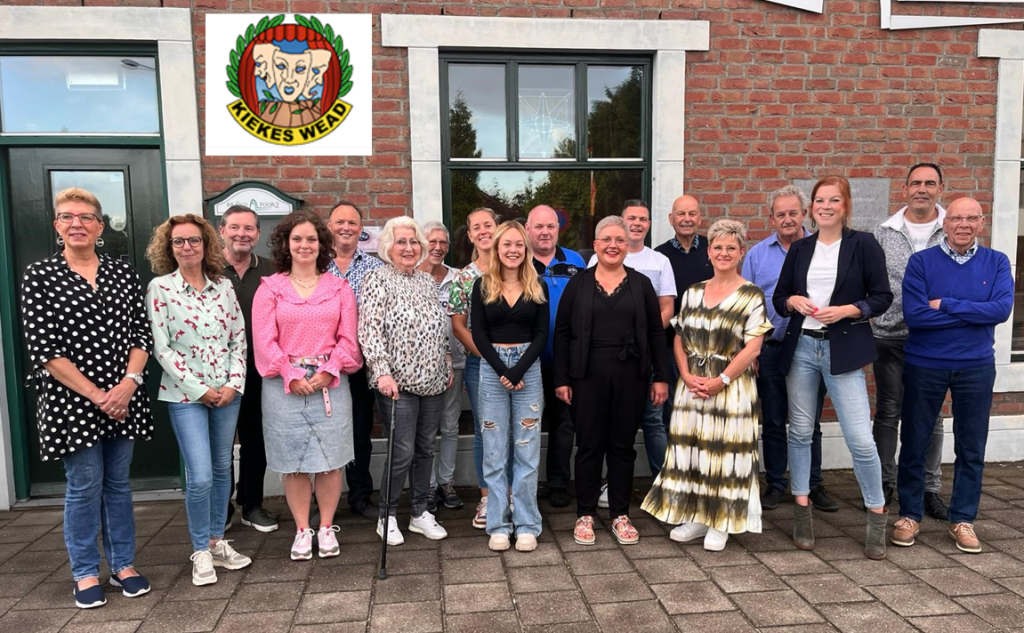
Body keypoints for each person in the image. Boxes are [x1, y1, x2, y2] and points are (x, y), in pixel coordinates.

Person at [21, 187, 153, 608]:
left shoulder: (122, 272)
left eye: (85, 217)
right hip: (73, 401)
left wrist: (129, 383)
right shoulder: (39, 275)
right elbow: (44, 350)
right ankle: (83, 571)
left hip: (124, 394)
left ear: (100, 225)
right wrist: (99, 395)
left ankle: (123, 564)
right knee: (84, 485)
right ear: (57, 225)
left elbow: (140, 333)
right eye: (66, 216)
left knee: (117, 484)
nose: (76, 223)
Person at [773, 176, 893, 560]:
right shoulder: (801, 248)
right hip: (803, 348)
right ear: (812, 207)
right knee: (801, 432)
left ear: (845, 205)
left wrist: (849, 309)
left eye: (833, 200)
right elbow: (778, 298)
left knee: (860, 438)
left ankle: (876, 515)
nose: (825, 206)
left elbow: (883, 296)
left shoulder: (864, 244)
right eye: (820, 200)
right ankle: (802, 512)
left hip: (843, 348)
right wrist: (793, 300)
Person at [642, 219, 771, 551]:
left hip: (731, 385)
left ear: (741, 252)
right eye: (717, 247)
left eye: (731, 247)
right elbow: (679, 338)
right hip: (693, 383)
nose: (723, 253)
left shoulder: (751, 294)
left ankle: (721, 520)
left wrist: (722, 379)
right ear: (709, 253)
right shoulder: (694, 292)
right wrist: (684, 375)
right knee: (693, 450)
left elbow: (753, 346)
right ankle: (698, 515)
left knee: (726, 452)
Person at [892, 197, 1012, 554]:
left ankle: (962, 519)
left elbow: (1002, 309)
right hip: (925, 363)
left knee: (971, 445)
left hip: (975, 366)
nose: (963, 224)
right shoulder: (922, 263)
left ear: (981, 222)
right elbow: (915, 316)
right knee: (915, 440)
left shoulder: (997, 261)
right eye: (956, 218)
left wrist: (945, 303)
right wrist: (977, 313)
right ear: (945, 224)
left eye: (971, 218)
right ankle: (910, 514)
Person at [146, 214, 251, 586]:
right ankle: (200, 551)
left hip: (226, 394)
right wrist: (198, 388)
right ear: (169, 248)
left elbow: (238, 338)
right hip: (185, 395)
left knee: (223, 469)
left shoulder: (223, 287)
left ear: (206, 244)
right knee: (201, 475)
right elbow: (161, 347)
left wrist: (233, 383)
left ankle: (217, 541)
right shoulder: (161, 289)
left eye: (194, 240)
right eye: (179, 242)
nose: (187, 247)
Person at [252, 210, 363, 560]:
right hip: (284, 387)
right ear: (286, 243)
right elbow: (263, 340)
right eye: (297, 239)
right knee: (294, 462)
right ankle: (302, 529)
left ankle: (327, 526)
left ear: (322, 244)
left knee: (330, 460)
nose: (304, 245)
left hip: (330, 383)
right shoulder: (270, 288)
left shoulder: (339, 288)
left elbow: (349, 338)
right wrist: (290, 374)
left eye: (311, 239)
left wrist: (330, 370)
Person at [557, 216, 670, 546]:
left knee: (622, 446)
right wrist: (562, 378)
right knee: (589, 445)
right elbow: (562, 333)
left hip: (630, 375)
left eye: (619, 240)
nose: (613, 245)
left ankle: (620, 513)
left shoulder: (640, 284)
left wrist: (660, 376)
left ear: (627, 245)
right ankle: (585, 515)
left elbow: (654, 332)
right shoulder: (578, 284)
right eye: (606, 239)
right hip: (586, 376)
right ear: (595, 245)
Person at [742, 186, 837, 513]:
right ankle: (776, 484)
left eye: (792, 213)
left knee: (808, 422)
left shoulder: (823, 249)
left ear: (804, 213)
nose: (787, 219)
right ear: (771, 218)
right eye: (780, 214)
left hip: (812, 346)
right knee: (772, 419)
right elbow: (747, 304)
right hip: (770, 347)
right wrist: (749, 349)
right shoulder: (756, 254)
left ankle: (812, 484)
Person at [359, 216, 453, 546]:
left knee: (426, 448)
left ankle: (419, 513)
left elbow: (439, 327)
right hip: (396, 383)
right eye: (402, 242)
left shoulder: (427, 282)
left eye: (414, 242)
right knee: (402, 451)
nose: (409, 248)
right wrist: (381, 372)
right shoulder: (377, 280)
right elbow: (369, 331)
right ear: (388, 246)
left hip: (433, 380)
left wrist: (446, 358)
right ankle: (387, 514)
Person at [872, 163, 950, 517]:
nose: (922, 189)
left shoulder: (953, 230)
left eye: (929, 183)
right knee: (888, 412)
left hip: (934, 339)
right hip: (888, 336)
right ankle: (885, 483)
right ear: (904, 189)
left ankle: (927, 487)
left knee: (932, 417)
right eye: (915, 183)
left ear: (940, 188)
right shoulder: (883, 232)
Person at [587, 201, 676, 503]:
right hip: (604, 361)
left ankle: (665, 486)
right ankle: (610, 484)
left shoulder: (659, 261)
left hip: (646, 354)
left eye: (642, 219)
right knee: (605, 424)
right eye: (631, 219)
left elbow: (665, 309)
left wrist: (643, 334)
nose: (636, 223)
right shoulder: (593, 265)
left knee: (652, 421)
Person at [472, 221, 549, 552]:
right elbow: (478, 334)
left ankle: (528, 523)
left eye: (519, 244)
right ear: (497, 248)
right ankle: (499, 524)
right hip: (492, 370)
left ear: (526, 249)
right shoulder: (482, 285)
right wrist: (503, 369)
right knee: (494, 447)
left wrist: (518, 369)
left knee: (527, 447)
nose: (513, 250)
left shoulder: (538, 285)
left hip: (528, 369)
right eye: (507, 245)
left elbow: (542, 334)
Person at [220, 205, 278, 533]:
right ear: (222, 230)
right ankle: (221, 506)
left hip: (260, 369)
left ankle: (251, 504)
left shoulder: (271, 272)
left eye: (249, 229)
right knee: (221, 443)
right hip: (217, 371)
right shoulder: (207, 269)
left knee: (257, 439)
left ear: (258, 234)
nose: (242, 234)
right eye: (235, 228)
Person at [327, 200, 385, 521]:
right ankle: (327, 499)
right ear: (329, 227)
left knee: (361, 431)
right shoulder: (316, 266)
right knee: (327, 430)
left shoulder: (374, 267)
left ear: (361, 229)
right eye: (340, 222)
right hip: (323, 364)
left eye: (353, 222)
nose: (346, 227)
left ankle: (360, 494)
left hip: (362, 362)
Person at [525, 205, 585, 509]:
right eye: (538, 227)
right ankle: (526, 484)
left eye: (550, 226)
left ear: (557, 229)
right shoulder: (518, 261)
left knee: (564, 424)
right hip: (527, 360)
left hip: (566, 360)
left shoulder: (575, 261)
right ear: (527, 229)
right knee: (528, 424)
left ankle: (559, 481)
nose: (545, 232)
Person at [449, 207, 500, 529]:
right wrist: (487, 355)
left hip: (519, 363)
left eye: (488, 225)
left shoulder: (515, 268)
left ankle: (510, 494)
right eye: (476, 227)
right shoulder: (464, 277)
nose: (483, 231)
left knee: (513, 430)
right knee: (486, 431)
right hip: (480, 365)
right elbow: (458, 324)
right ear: (469, 235)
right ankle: (486, 497)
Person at [418, 220, 465, 510]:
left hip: (456, 364)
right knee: (424, 430)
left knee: (449, 426)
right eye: (431, 241)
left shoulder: (458, 278)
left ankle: (446, 483)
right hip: (421, 368)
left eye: (443, 242)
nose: (437, 247)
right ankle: (426, 486)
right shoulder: (410, 276)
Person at [655, 195, 714, 428]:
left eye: (692, 214)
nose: (687, 219)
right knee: (675, 406)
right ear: (671, 219)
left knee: (706, 405)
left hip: (710, 344)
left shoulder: (714, 251)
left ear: (700, 218)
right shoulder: (660, 256)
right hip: (672, 344)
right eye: (681, 214)